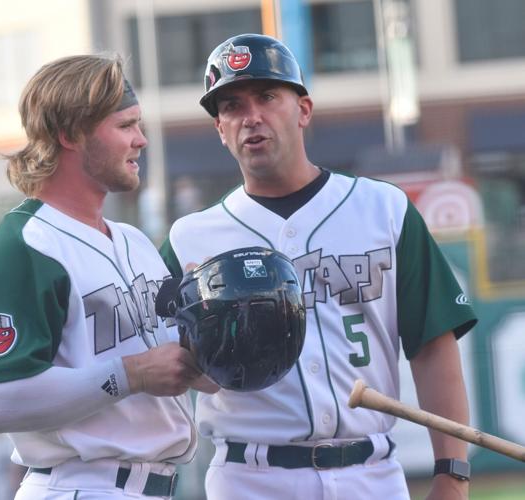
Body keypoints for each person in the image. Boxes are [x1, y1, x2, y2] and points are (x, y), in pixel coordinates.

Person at [160, 34, 477, 500]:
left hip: (371, 475)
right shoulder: (190, 238)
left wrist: (452, 474)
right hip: (251, 479)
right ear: (220, 130)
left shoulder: (383, 210)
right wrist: (209, 358)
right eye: (230, 106)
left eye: (267, 96)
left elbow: (433, 345)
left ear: (303, 110)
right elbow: (168, 363)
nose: (251, 117)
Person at [0, 53, 217, 500]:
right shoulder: (22, 248)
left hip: (150, 486)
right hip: (78, 485)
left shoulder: (133, 241)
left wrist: (211, 324)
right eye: (125, 126)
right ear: (70, 134)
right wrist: (131, 374)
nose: (141, 140)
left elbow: (190, 375)